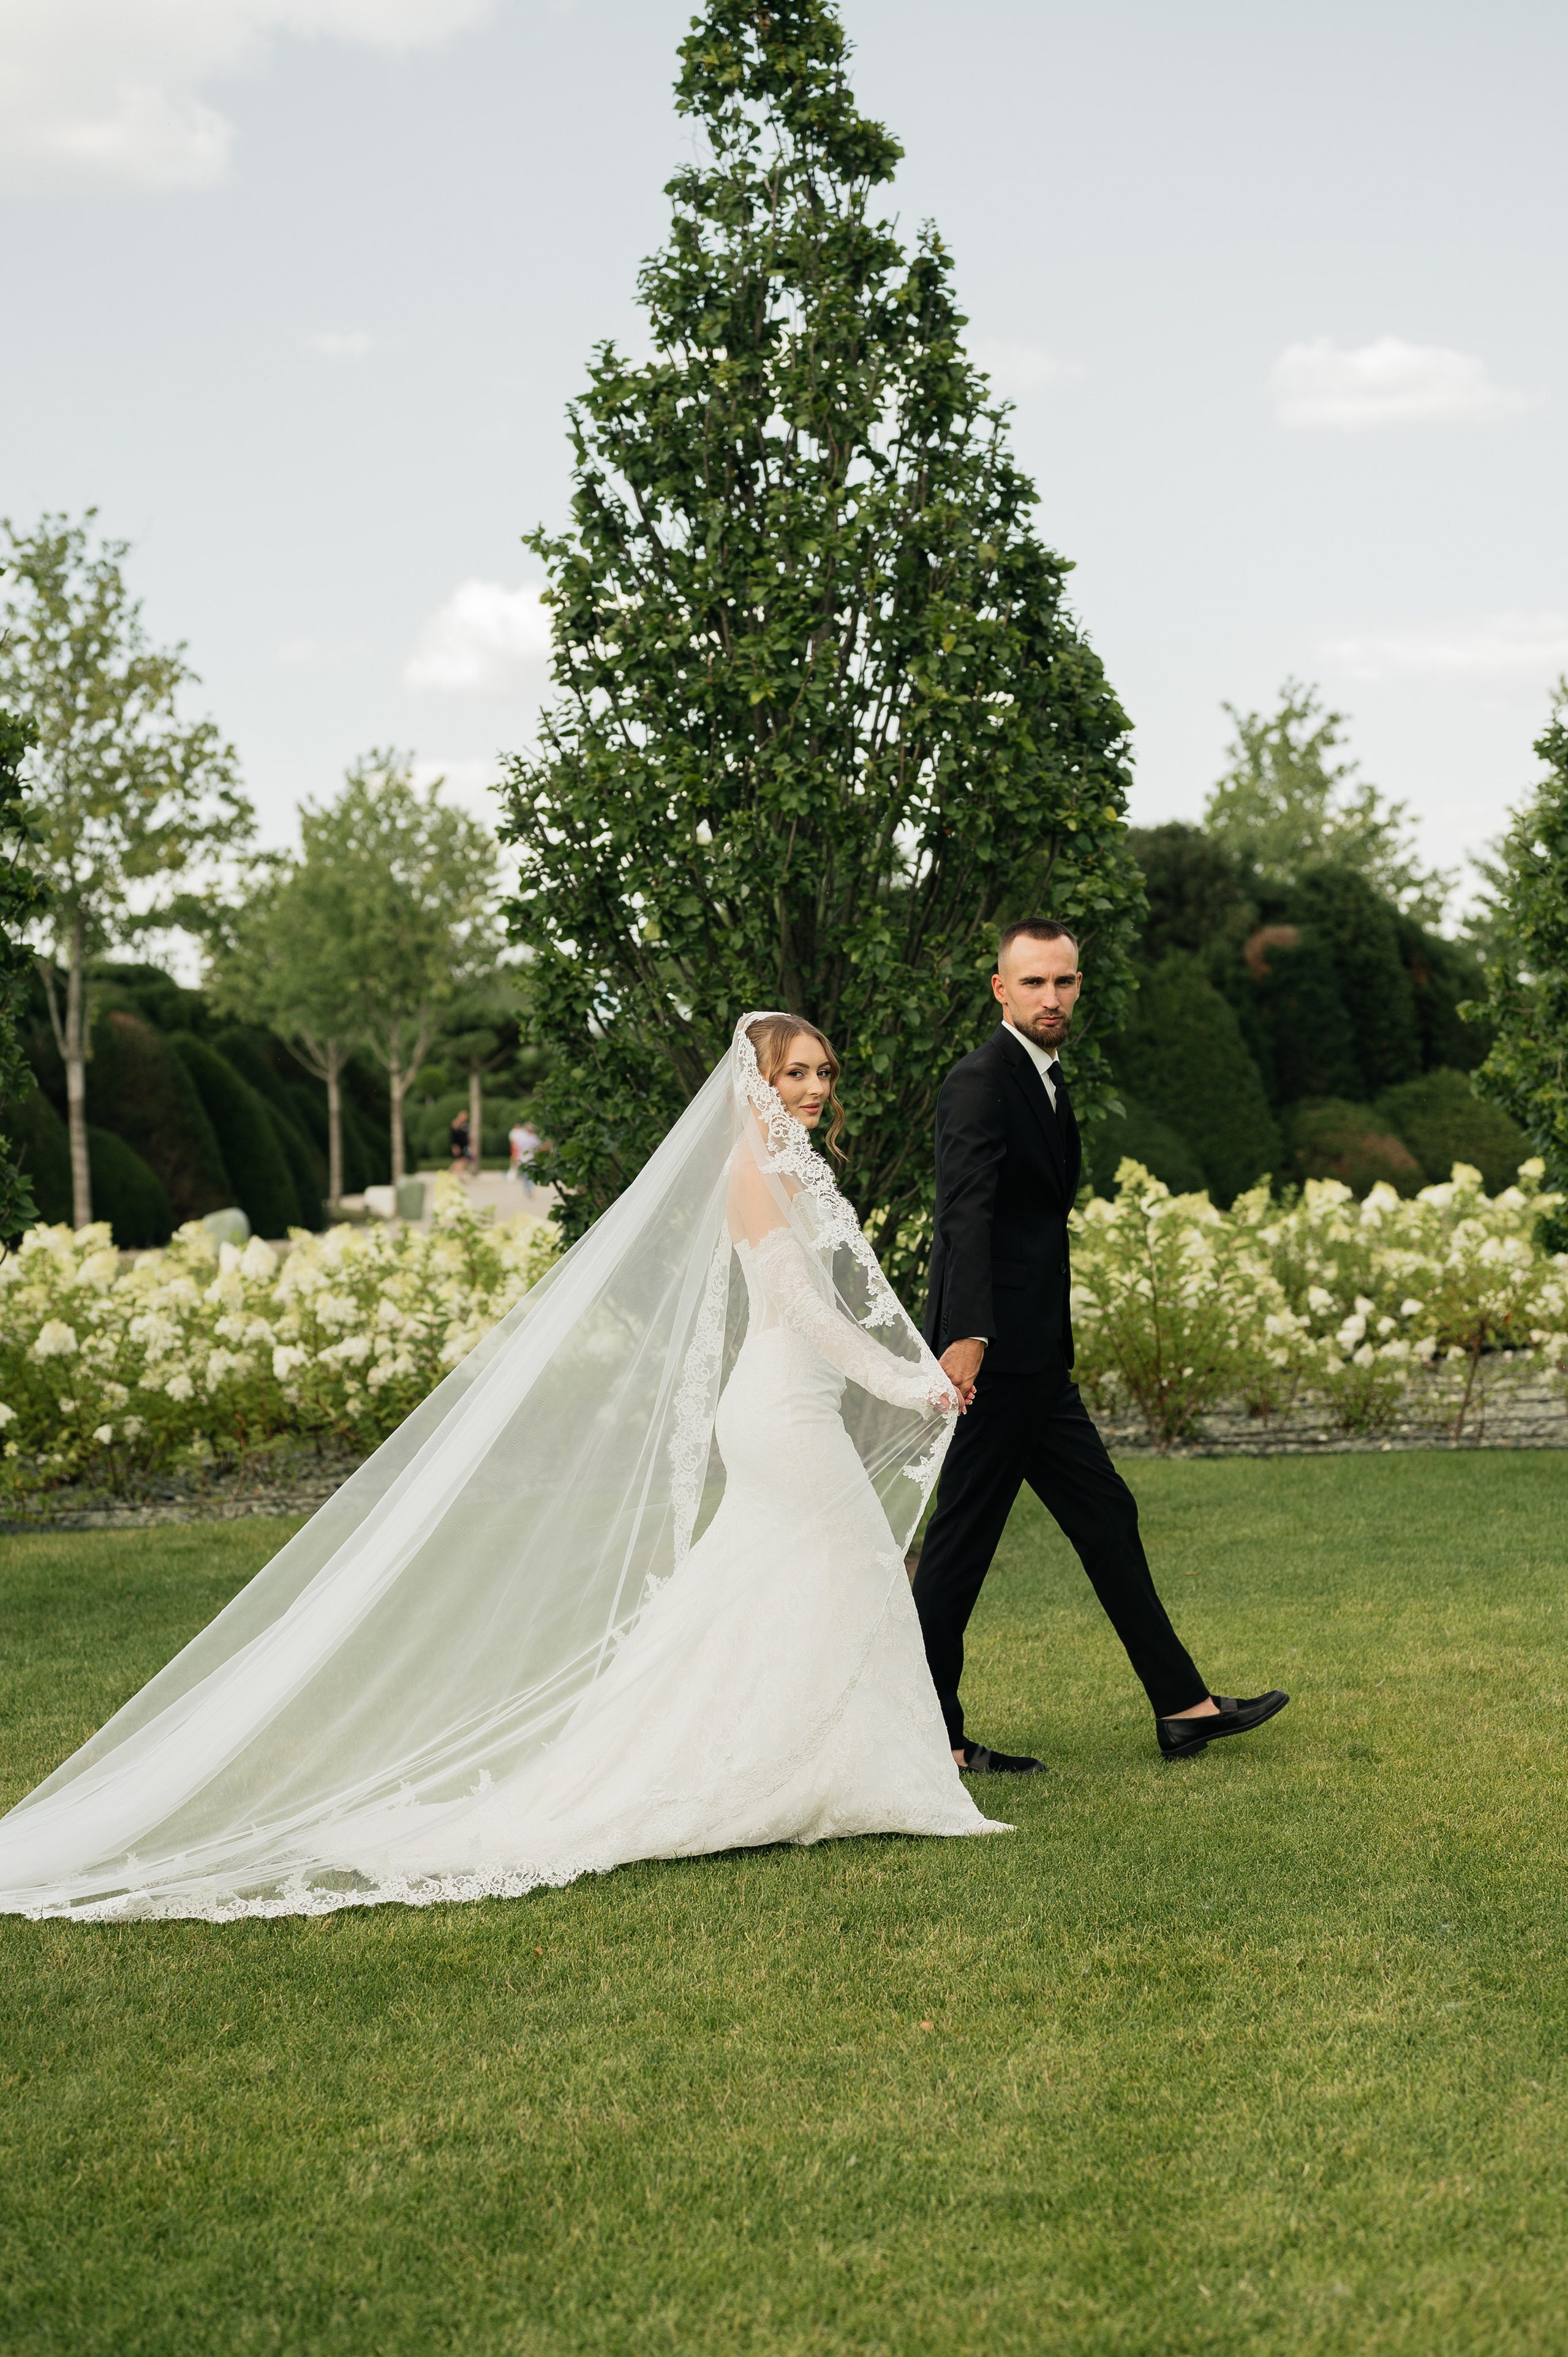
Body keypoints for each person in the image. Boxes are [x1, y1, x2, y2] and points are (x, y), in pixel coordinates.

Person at [0, 1014, 1002, 1925]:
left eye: (824, 1071)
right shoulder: (754, 1171)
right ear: (755, 1082)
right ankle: (811, 1774)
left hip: (795, 1401)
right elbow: (808, 1309)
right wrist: (910, 1379)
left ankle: (837, 1770)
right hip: (781, 1408)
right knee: (846, 1565)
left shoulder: (802, 1168)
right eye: (794, 1073)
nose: (814, 1088)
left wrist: (906, 1369)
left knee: (786, 1582)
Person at [915, 918, 1290, 1771]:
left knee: (1105, 1516)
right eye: (1035, 983)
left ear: (1078, 986)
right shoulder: (980, 1080)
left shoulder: (1043, 1078)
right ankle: (928, 1735)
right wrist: (967, 1338)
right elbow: (964, 1215)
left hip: (1040, 1357)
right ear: (1001, 990)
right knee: (961, 1546)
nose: (1052, 998)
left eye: (1065, 982)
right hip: (996, 1356)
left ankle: (1184, 1707)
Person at [508, 1117, 541, 1199]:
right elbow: (539, 1149)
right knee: (531, 1177)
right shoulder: (535, 1138)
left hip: (522, 1161)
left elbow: (515, 1148)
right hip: (532, 1161)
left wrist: (514, 1159)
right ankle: (530, 1189)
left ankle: (527, 1190)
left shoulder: (521, 1138)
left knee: (525, 1177)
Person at [449, 1108, 472, 1174]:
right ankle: (459, 1174)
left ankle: (451, 1172)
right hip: (459, 1145)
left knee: (461, 1161)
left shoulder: (464, 1125)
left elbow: (466, 1134)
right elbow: (454, 1136)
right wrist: (455, 1146)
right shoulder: (456, 1123)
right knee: (461, 1161)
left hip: (464, 1145)